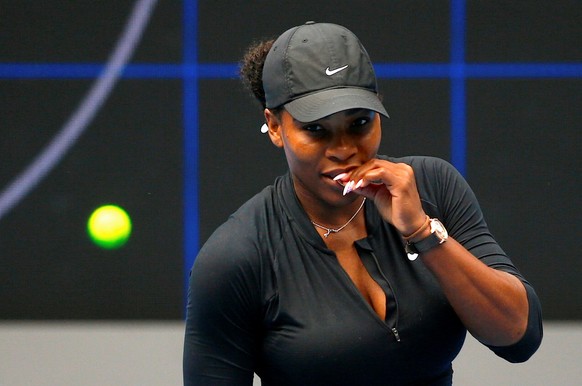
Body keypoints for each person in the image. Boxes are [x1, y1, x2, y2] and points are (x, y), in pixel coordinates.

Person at [183, 21, 542, 385]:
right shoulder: (234, 258)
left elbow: (518, 338)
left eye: (359, 122)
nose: (344, 150)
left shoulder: (434, 186)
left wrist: (422, 232)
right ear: (275, 127)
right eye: (316, 129)